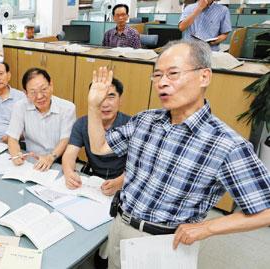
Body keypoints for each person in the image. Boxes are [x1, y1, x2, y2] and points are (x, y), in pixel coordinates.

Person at [86, 40, 270, 269]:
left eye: (173, 74)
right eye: (157, 75)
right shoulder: (145, 120)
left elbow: (266, 211)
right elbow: (99, 147)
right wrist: (93, 106)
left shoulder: (226, 144)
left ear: (204, 77)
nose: (162, 83)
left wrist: (207, 228)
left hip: (164, 241)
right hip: (120, 224)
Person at [62, 78, 130, 193]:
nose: (105, 104)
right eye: (100, 98)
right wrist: (69, 173)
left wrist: (121, 181)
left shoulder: (131, 125)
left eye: (111, 97)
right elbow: (69, 154)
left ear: (120, 100)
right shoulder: (81, 124)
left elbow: (140, 165)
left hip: (125, 181)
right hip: (94, 181)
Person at [6, 68, 76, 171]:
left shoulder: (67, 108)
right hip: (32, 160)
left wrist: (50, 158)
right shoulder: (20, 106)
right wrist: (15, 154)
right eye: (33, 92)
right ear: (26, 93)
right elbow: (12, 137)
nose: (39, 96)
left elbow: (65, 139)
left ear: (51, 85)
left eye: (43, 89)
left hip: (60, 160)